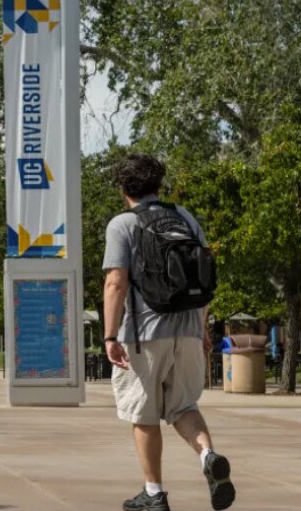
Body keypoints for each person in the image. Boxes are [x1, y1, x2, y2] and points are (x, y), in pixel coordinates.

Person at [103, 154, 235, 511]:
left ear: (124, 188)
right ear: (158, 185)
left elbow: (116, 282)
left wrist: (110, 337)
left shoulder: (123, 224)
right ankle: (208, 455)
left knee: (143, 415)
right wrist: (202, 327)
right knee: (184, 406)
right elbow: (205, 275)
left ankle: (154, 492)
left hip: (144, 334)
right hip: (189, 329)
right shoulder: (185, 217)